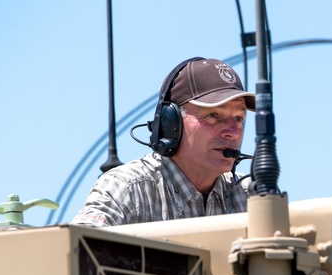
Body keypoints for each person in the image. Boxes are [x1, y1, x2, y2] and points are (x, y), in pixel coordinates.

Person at [72, 58, 255, 226]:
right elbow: (75, 249)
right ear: (171, 123)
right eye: (213, 115)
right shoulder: (126, 188)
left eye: (239, 118)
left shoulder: (252, 197)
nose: (233, 132)